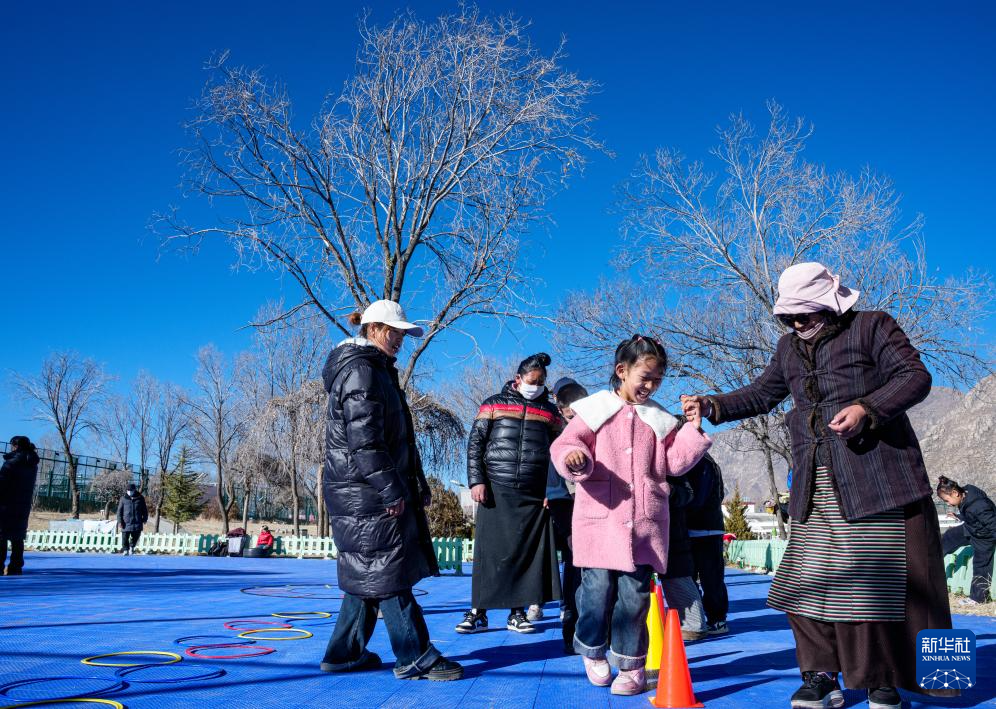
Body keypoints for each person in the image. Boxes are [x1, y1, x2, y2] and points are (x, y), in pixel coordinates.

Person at [682, 262, 956, 709]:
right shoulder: (788, 348)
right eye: (787, 317)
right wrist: (712, 405)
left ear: (828, 305)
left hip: (876, 482)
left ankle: (881, 682)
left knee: (868, 588)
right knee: (800, 583)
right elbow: (763, 393)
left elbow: (915, 376)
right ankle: (820, 677)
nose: (795, 324)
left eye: (803, 314)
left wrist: (867, 408)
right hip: (814, 483)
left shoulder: (872, 326)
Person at [552, 335, 711, 696]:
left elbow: (675, 463)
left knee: (635, 597)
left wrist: (693, 430)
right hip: (600, 520)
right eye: (645, 377)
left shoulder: (659, 418)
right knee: (595, 591)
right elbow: (565, 444)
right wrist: (575, 458)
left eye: (657, 380)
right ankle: (592, 649)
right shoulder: (594, 410)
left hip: (643, 524)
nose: (651, 386)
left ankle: (631, 665)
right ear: (622, 371)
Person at [320, 300, 462, 682]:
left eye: (402, 333)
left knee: (368, 570)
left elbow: (399, 439)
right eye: (393, 332)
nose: (399, 339)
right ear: (373, 329)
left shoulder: (377, 370)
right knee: (387, 570)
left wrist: (416, 483)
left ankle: (344, 653)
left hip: (365, 489)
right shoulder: (361, 371)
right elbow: (364, 442)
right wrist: (389, 490)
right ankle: (414, 655)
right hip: (364, 492)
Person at [457, 353, 563, 635]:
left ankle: (517, 613)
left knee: (524, 553)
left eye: (541, 382)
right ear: (518, 379)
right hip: (495, 488)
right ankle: (478, 612)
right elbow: (475, 444)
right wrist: (476, 481)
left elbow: (558, 453)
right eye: (532, 381)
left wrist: (552, 489)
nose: (536, 386)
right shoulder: (493, 404)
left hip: (533, 493)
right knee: (489, 552)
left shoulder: (550, 412)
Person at [544, 379, 589, 653]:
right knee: (575, 567)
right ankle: (572, 630)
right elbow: (555, 488)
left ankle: (597, 627)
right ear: (560, 409)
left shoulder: (594, 428)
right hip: (567, 504)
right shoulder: (557, 436)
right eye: (570, 415)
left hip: (590, 504)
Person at [660, 469, 708, 642]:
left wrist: (669, 490)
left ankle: (692, 625)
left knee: (677, 576)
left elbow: (688, 494)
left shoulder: (673, 465)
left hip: (673, 533)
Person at [685, 454, 729, 635]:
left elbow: (697, 498)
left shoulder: (700, 462)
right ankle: (701, 619)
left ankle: (717, 619)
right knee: (694, 578)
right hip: (700, 528)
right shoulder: (703, 461)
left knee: (711, 579)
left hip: (705, 529)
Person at [937, 476, 995, 604]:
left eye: (947, 500)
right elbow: (971, 514)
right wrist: (959, 516)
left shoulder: (980, 506)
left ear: (955, 493)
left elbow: (992, 524)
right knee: (949, 536)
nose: (948, 504)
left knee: (981, 565)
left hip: (983, 537)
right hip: (970, 527)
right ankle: (933, 564)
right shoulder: (966, 493)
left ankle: (978, 598)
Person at [1, 436, 39, 576]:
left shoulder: (11, 463)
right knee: (17, 537)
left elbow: (2, 483)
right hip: (23, 504)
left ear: (16, 446)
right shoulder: (32, 463)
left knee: (2, 535)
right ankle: (16, 566)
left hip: (6, 504)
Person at [117, 483, 148, 556]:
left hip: (137, 521)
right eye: (128, 490)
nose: (129, 492)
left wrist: (145, 518)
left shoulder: (140, 498)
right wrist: (120, 521)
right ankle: (126, 550)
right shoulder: (123, 498)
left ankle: (132, 547)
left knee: (136, 536)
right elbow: (119, 511)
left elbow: (144, 510)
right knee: (125, 537)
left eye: (131, 490)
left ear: (134, 490)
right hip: (125, 522)